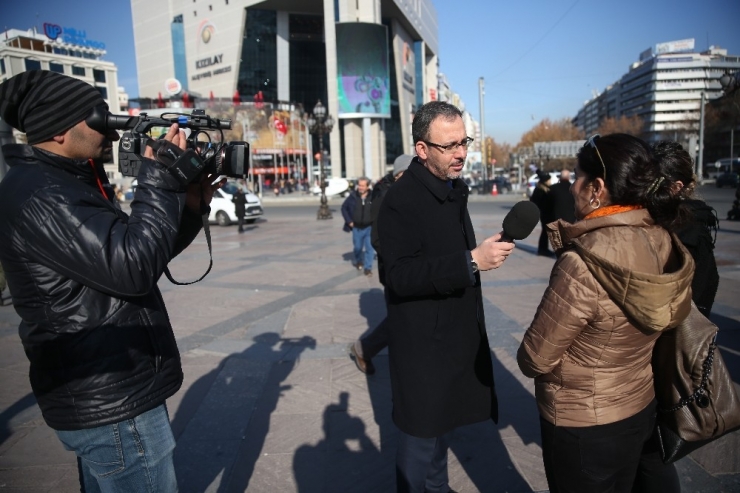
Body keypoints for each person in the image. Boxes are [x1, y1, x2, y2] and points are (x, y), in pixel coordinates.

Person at [0, 70, 222, 492]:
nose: (109, 129)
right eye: (96, 118)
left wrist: (190, 206)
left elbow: (139, 253)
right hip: (110, 400)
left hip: (106, 390)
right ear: (60, 131)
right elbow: (132, 268)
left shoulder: (61, 183)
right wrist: (158, 178)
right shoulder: (43, 195)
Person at [517, 133, 695, 493]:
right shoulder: (661, 237)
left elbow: (534, 358)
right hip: (640, 407)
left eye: (578, 177)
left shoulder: (582, 263)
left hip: (582, 423)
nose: (572, 187)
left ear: (597, 188)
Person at [378, 101, 514, 492]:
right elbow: (399, 276)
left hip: (452, 339)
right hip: (423, 349)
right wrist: (471, 261)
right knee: (420, 445)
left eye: (464, 142)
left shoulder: (452, 188)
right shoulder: (401, 201)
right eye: (449, 145)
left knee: (440, 439)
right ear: (422, 150)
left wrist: (476, 257)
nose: (461, 153)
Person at [631, 140, 720, 493]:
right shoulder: (656, 223)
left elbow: (698, 296)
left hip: (667, 354)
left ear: (677, 187)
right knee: (650, 451)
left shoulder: (684, 231)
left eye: (651, 182)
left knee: (652, 452)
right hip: (660, 352)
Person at [348, 153, 414, 375]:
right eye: (407, 173)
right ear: (397, 175)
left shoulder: (407, 192)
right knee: (403, 318)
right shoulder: (384, 197)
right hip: (396, 269)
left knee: (408, 317)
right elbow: (378, 239)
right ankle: (364, 348)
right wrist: (400, 259)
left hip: (411, 268)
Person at [341, 177, 375, 276]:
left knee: (369, 249)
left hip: (369, 227)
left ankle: (368, 268)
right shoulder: (353, 196)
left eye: (362, 186)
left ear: (368, 186)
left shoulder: (373, 196)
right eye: (359, 185)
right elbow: (344, 208)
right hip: (356, 228)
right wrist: (349, 221)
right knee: (357, 248)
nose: (360, 187)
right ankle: (359, 261)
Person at [530, 169, 554, 256]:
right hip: (544, 213)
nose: (550, 181)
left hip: (544, 213)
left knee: (545, 231)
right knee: (545, 231)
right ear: (545, 181)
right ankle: (543, 249)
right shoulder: (540, 190)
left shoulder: (543, 189)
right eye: (549, 180)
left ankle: (543, 248)